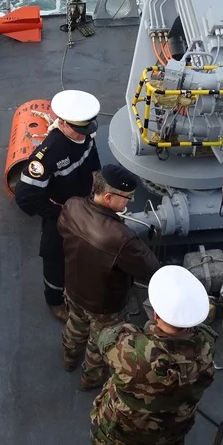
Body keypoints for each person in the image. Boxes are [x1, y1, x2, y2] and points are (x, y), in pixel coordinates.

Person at [78, 265, 216, 445]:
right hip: (171, 427)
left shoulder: (129, 349)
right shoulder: (205, 350)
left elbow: (104, 339)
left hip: (121, 426)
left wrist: (130, 331)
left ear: (155, 315)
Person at [57, 164, 160, 390]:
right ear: (108, 197)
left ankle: (68, 359)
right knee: (99, 345)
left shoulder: (72, 206)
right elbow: (151, 269)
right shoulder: (121, 238)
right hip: (105, 306)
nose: (129, 202)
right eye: (127, 197)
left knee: (75, 326)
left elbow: (62, 230)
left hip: (74, 290)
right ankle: (90, 380)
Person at [14, 90, 101, 322]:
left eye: (86, 130)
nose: (83, 136)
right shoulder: (47, 155)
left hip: (85, 203)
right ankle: (54, 300)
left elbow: (93, 162)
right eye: (78, 130)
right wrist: (58, 213)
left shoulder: (85, 137)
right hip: (60, 212)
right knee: (55, 257)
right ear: (62, 123)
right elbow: (26, 197)